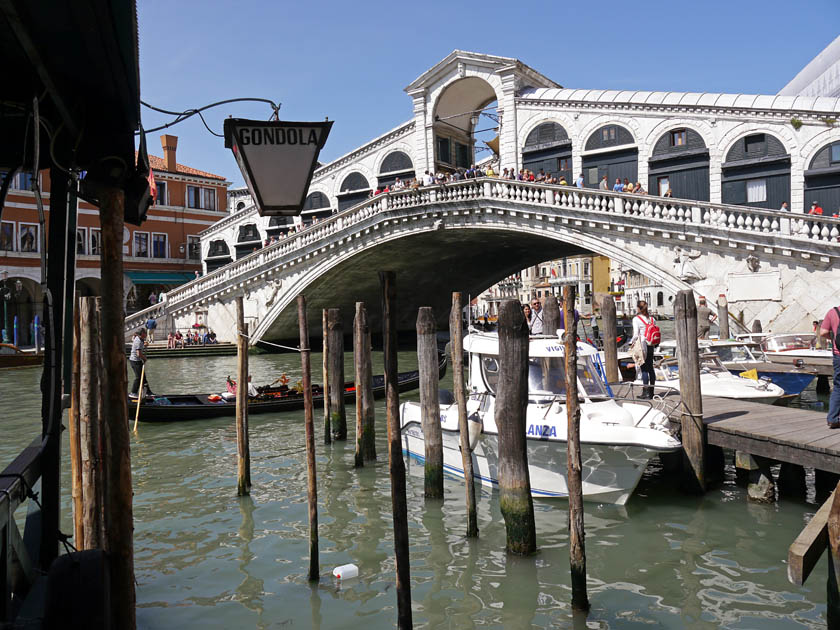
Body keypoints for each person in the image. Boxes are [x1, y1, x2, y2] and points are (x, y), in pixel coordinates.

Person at [630, 300, 656, 399]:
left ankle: (646, 393)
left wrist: (631, 342)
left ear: (638, 308)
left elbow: (636, 334)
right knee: (651, 368)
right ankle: (652, 392)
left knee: (644, 368)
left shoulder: (636, 319)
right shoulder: (653, 319)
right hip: (651, 344)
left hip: (642, 345)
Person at [819, 306, 840, 429]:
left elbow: (823, 332)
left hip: (839, 355)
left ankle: (833, 419)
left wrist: (833, 338)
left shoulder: (833, 312)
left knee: (838, 387)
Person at [129, 329, 153, 398]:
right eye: (145, 333)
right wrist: (144, 358)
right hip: (135, 361)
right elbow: (138, 354)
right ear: (142, 333)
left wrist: (144, 344)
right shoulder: (138, 341)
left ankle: (148, 392)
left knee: (144, 378)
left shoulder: (140, 339)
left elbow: (140, 346)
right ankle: (133, 392)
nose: (146, 334)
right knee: (139, 377)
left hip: (138, 360)